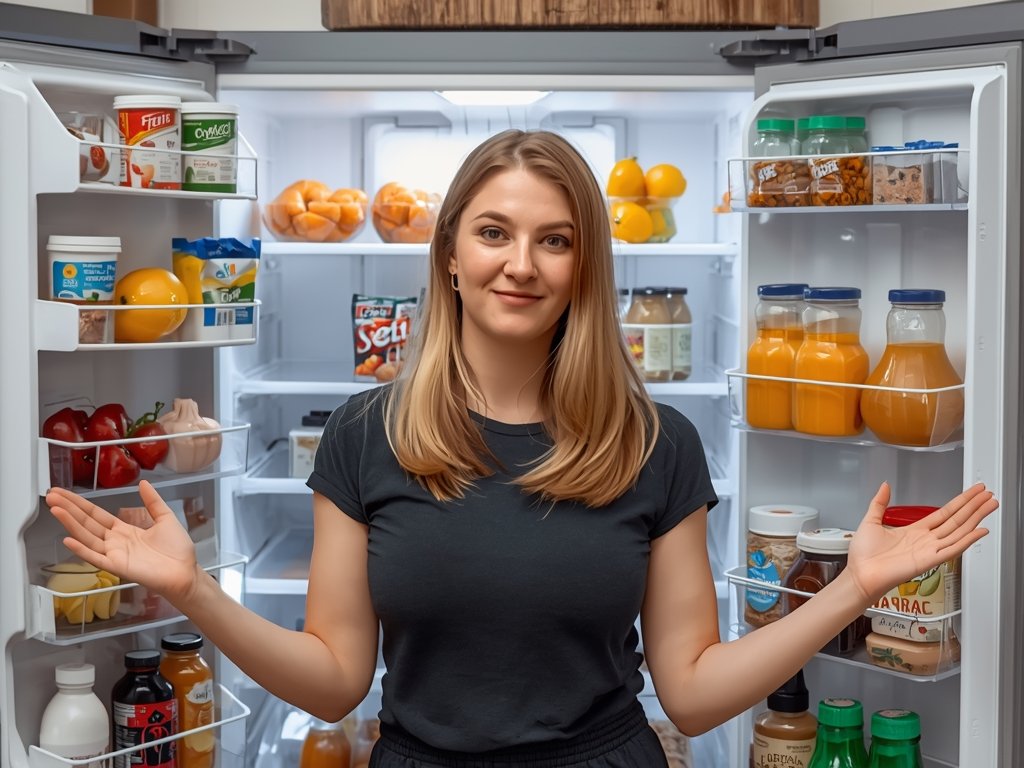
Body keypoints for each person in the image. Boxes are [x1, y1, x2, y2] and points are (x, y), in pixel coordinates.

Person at [47, 129, 997, 768]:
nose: (522, 263)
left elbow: (696, 694)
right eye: (495, 233)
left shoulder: (655, 443)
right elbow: (336, 683)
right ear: (451, 254)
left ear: (584, 267)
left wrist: (855, 588)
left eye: (555, 240)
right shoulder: (364, 434)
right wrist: (191, 589)